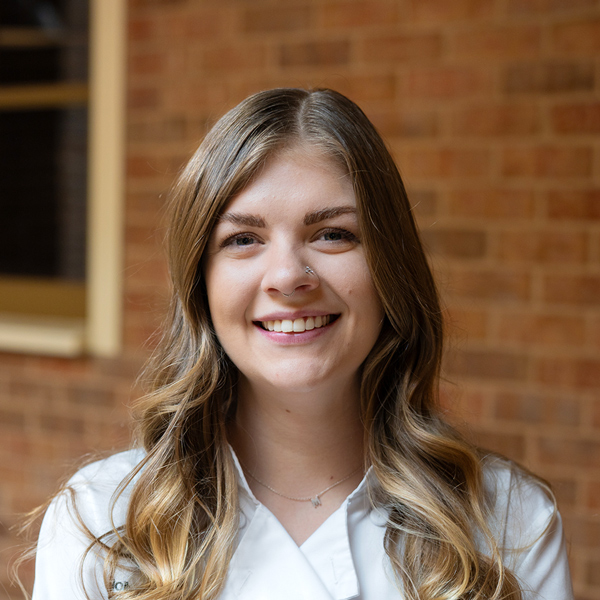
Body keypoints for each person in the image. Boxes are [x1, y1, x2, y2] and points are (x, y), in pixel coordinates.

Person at [30, 88, 573, 599]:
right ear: (201, 286)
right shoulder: (101, 520)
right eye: (243, 239)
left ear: (390, 267)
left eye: (332, 233)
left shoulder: (509, 524)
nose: (288, 276)